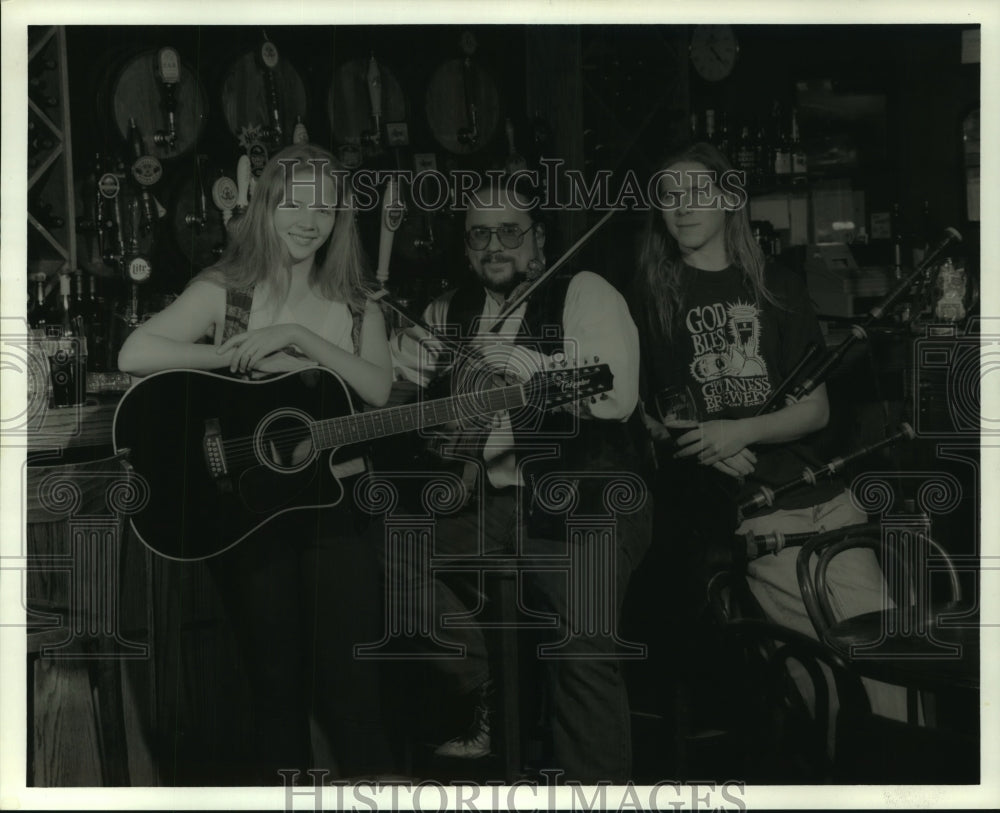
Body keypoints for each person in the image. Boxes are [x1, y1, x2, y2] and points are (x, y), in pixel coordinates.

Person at [117, 143, 395, 783]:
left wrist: (300, 338)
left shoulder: (357, 304)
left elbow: (378, 390)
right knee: (275, 693)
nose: (309, 219)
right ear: (267, 204)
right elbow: (136, 352)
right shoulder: (227, 290)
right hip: (250, 515)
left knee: (353, 691)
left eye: (324, 207)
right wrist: (236, 358)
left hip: (337, 512)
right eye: (293, 201)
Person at [628, 141, 906, 760]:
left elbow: (816, 410)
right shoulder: (654, 298)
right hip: (757, 517)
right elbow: (647, 413)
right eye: (669, 197)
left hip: (831, 506)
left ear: (729, 201)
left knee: (892, 667)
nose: (682, 208)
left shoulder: (777, 286)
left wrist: (738, 432)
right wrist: (699, 446)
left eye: (698, 193)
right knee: (830, 683)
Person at [385, 177, 654, 783]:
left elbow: (616, 397)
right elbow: (391, 381)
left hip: (592, 498)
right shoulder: (445, 311)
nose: (494, 245)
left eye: (510, 231)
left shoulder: (583, 292)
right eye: (480, 233)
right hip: (493, 503)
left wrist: (540, 374)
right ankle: (485, 687)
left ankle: (597, 792)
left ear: (538, 240)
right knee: (390, 548)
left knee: (579, 644)